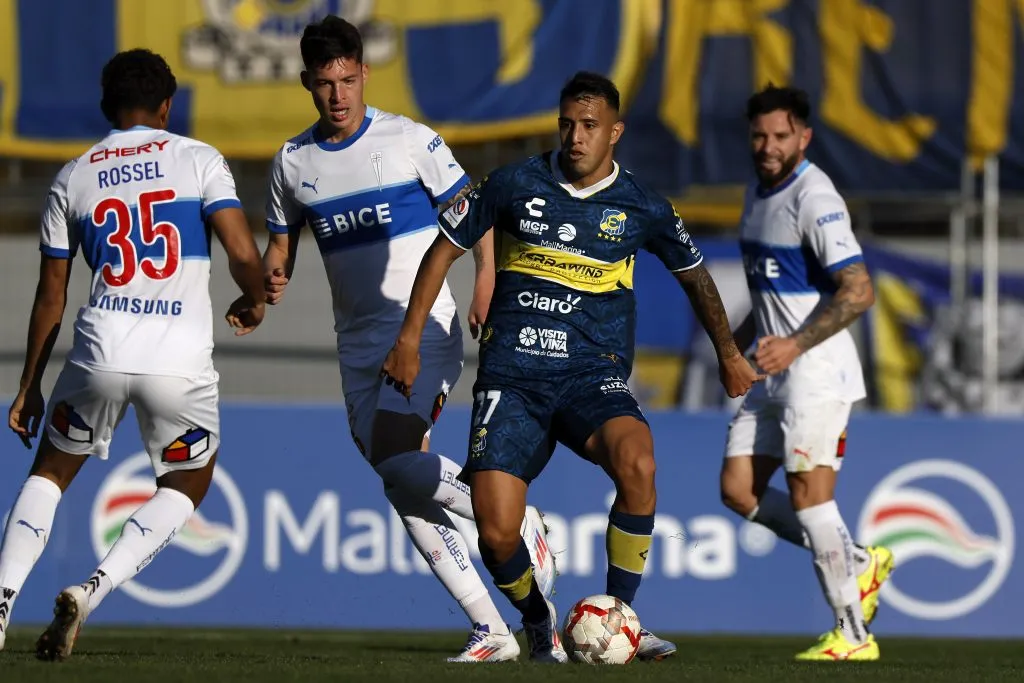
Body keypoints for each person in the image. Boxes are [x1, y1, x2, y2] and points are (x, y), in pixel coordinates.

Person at [382, 71, 761, 663]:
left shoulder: (641, 206)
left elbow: (695, 276)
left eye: (589, 126)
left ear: (615, 132)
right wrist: (409, 338)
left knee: (637, 459)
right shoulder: (513, 184)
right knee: (497, 530)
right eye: (567, 124)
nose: (575, 137)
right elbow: (443, 249)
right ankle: (538, 621)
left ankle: (622, 618)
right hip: (513, 378)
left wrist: (729, 354)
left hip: (592, 376)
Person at [262, 16, 555, 662]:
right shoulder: (292, 162)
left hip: (422, 328)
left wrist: (486, 276)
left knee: (398, 458)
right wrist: (265, 283)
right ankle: (491, 628)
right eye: (323, 84)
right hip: (355, 343)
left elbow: (471, 213)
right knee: (402, 482)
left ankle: (512, 515)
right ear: (307, 83)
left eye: (346, 79)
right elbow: (279, 246)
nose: (337, 95)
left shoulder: (408, 141)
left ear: (364, 72)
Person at [0, 49, 266, 661]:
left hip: (99, 351)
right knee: (186, 483)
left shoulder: (74, 175)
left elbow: (51, 297)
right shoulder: (198, 159)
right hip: (177, 362)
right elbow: (242, 253)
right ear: (168, 106)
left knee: (48, 474)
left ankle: (3, 599)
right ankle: (92, 590)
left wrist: (28, 385)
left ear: (106, 107)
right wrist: (254, 299)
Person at [720, 84, 893, 662]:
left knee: (808, 498)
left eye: (780, 136)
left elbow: (859, 289)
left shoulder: (816, 198)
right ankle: (859, 562)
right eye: (759, 136)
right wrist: (734, 349)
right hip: (773, 371)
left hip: (815, 372)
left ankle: (853, 634)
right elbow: (767, 291)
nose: (768, 146)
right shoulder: (756, 191)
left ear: (804, 137)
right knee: (738, 490)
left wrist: (793, 345)